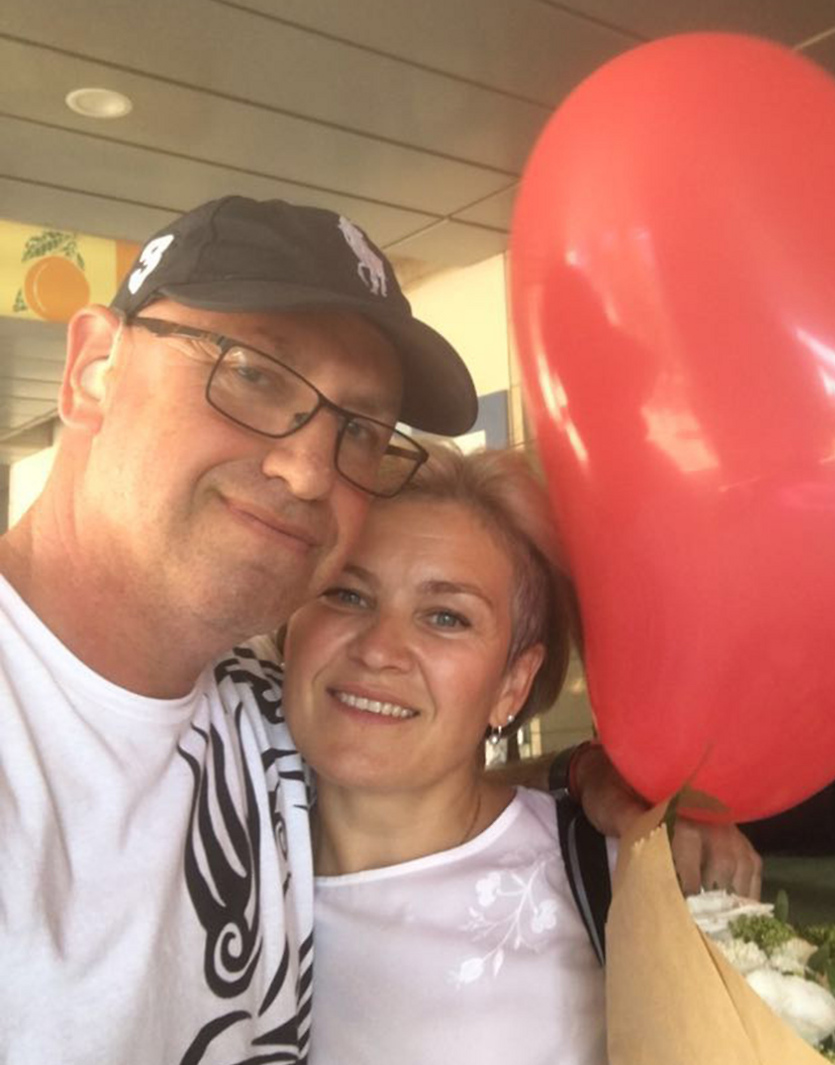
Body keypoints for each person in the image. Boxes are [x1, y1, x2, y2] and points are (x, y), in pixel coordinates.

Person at [0, 195, 760, 1065]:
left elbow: (422, 786)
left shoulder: (256, 713)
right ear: (92, 367)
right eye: (253, 373)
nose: (306, 469)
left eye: (358, 428)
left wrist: (603, 790)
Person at [282, 443, 608, 1063]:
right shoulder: (209, 855)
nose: (379, 649)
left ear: (512, 683)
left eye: (445, 618)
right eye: (347, 594)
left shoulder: (612, 879)